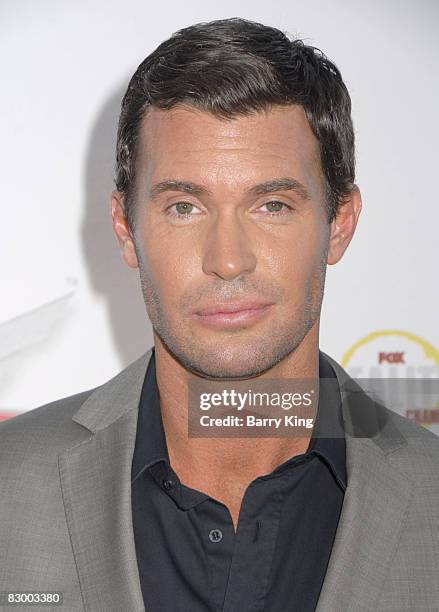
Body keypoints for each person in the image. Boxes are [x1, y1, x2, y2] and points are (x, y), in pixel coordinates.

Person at [1, 17, 438, 612]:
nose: (228, 261)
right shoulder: (9, 486)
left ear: (339, 224)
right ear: (127, 230)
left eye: (272, 204)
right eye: (184, 206)